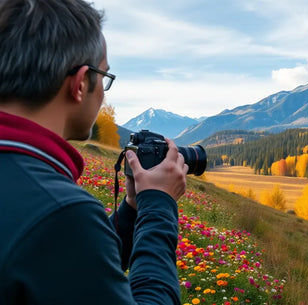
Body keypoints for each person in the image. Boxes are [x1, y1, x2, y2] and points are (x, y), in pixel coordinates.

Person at [0, 0, 187, 304]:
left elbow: (66, 264)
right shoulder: (58, 211)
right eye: (104, 77)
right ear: (80, 83)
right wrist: (158, 204)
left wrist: (132, 208)